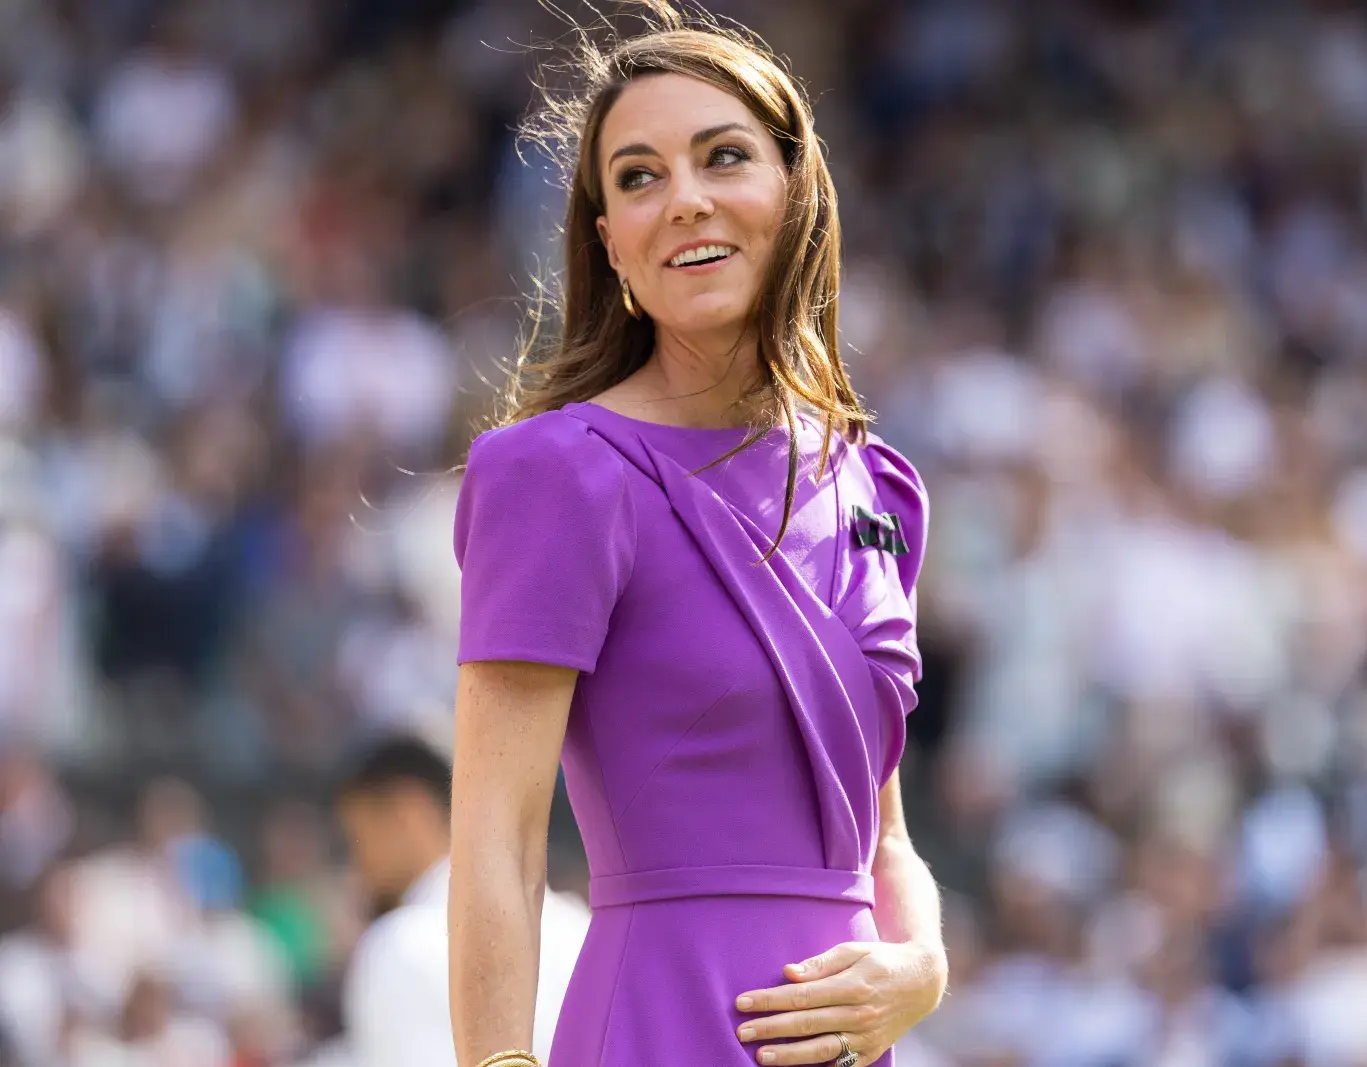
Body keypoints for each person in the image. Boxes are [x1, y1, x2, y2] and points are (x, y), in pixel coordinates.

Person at [447, 5, 948, 1066]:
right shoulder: (556, 472)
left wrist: (923, 965)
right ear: (610, 244)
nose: (684, 199)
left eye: (723, 157)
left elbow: (885, 837)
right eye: (639, 177)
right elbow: (498, 837)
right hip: (658, 1020)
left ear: (795, 190)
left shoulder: (875, 483)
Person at [336, 735, 589, 1067]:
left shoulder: (401, 944)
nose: (356, 864)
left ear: (407, 813)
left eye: (358, 836)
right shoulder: (576, 923)